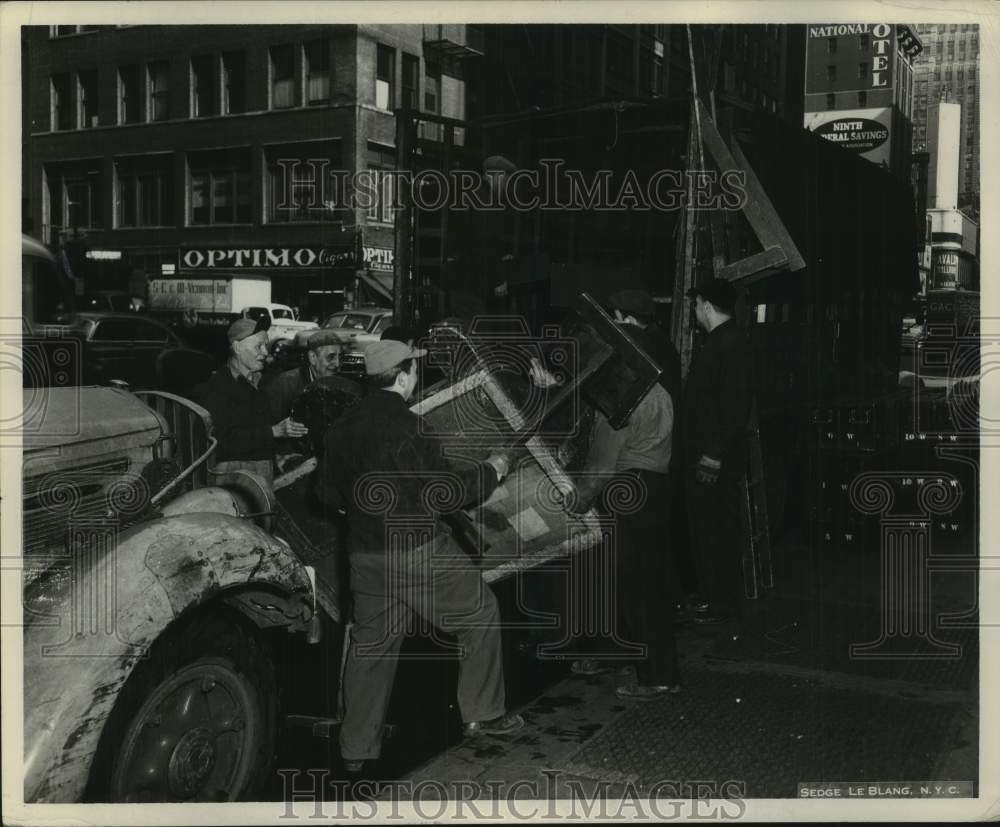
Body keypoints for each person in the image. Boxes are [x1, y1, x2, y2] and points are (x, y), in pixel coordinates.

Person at [318, 340, 524, 773]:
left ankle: (355, 749)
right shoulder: (412, 427)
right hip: (417, 550)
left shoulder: (340, 428)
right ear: (404, 376)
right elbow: (449, 492)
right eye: (415, 369)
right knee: (481, 613)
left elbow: (327, 494)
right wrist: (494, 469)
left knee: (371, 649)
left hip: (365, 555)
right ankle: (483, 715)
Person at [538, 331, 681, 699]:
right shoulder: (659, 391)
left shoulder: (619, 402)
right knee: (639, 583)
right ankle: (620, 655)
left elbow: (601, 469)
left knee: (632, 587)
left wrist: (573, 503)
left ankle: (657, 677)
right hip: (655, 489)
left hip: (626, 490)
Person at [682, 279, 753, 625]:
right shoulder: (721, 342)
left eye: (695, 305)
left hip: (715, 461)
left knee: (717, 531)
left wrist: (713, 454)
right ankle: (713, 598)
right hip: (708, 457)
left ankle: (723, 605)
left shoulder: (731, 344)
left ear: (706, 306)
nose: (694, 312)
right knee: (706, 530)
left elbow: (733, 408)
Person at [194, 317, 308, 486]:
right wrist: (274, 432)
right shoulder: (219, 388)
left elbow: (254, 429)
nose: (265, 352)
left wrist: (278, 456)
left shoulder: (258, 382)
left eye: (265, 346)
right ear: (237, 347)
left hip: (258, 470)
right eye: (258, 346)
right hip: (232, 480)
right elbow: (221, 443)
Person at [265, 329, 361, 426]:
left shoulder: (346, 386)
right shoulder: (285, 385)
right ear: (313, 358)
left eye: (340, 357)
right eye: (331, 357)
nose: (337, 364)